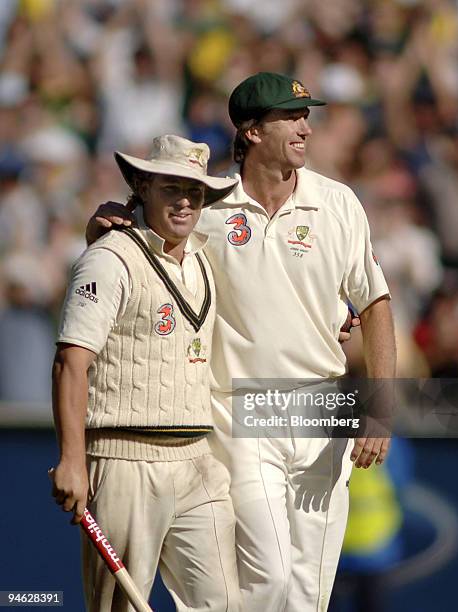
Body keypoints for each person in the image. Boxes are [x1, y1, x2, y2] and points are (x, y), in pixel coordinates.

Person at [87, 72, 396, 612]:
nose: (305, 126)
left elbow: (375, 304)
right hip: (243, 410)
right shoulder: (208, 204)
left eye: (306, 116)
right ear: (252, 132)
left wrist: (381, 407)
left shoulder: (339, 203)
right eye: (290, 117)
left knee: (308, 597)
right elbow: (132, 232)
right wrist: (101, 224)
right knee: (270, 582)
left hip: (326, 407)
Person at [51, 134, 241, 611]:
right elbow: (71, 363)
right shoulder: (109, 258)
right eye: (171, 188)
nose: (184, 202)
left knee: (223, 604)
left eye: (195, 192)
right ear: (142, 186)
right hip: (124, 460)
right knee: (119, 607)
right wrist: (73, 460)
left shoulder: (203, 257)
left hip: (198, 459)